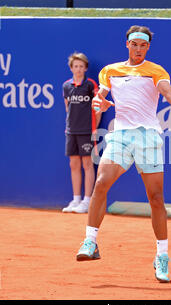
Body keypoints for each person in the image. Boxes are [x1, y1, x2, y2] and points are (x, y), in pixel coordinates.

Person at [75, 25, 171, 283]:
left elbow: (170, 94)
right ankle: (90, 241)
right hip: (121, 135)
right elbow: (99, 97)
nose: (138, 49)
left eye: (143, 45)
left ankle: (162, 256)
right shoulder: (109, 71)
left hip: (148, 136)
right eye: (134, 44)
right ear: (127, 44)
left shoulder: (156, 71)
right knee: (101, 183)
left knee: (156, 198)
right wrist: (98, 102)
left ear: (148, 47)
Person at [62, 52, 102, 214]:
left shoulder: (90, 85)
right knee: (74, 164)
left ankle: (87, 200)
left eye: (81, 66)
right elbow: (67, 107)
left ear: (85, 68)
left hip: (87, 131)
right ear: (71, 68)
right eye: (75, 66)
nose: (78, 69)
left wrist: (94, 128)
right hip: (71, 131)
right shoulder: (66, 86)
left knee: (87, 164)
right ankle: (76, 199)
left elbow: (98, 109)